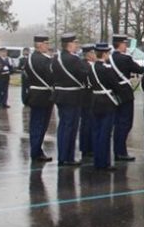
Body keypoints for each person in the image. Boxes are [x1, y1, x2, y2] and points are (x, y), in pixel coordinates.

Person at [51, 33, 89, 167]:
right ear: (69, 44)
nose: (77, 45)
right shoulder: (74, 59)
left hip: (60, 95)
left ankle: (63, 156)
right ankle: (68, 157)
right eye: (75, 43)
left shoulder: (56, 58)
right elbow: (84, 74)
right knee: (70, 128)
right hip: (72, 96)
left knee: (63, 127)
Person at [110, 34, 144, 162]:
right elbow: (139, 69)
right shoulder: (125, 59)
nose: (126, 46)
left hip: (114, 93)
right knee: (125, 123)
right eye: (125, 43)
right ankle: (121, 151)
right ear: (120, 44)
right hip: (125, 92)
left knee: (118, 123)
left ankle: (117, 150)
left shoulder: (110, 58)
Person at [88, 42, 121, 171]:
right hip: (107, 102)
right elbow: (115, 85)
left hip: (95, 100)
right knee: (105, 133)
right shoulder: (107, 69)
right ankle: (104, 162)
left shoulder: (91, 68)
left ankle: (97, 161)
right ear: (105, 54)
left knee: (96, 132)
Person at [24, 35, 54, 162]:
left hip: (34, 93)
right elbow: (51, 76)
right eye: (46, 43)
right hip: (44, 95)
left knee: (35, 124)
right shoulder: (45, 60)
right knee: (40, 125)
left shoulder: (30, 58)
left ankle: (36, 150)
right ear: (39, 44)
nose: (48, 46)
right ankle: (36, 152)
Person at [78, 43, 97, 160]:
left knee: (91, 123)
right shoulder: (85, 66)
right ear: (88, 55)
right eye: (93, 53)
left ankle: (90, 146)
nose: (95, 55)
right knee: (87, 124)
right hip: (87, 98)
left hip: (92, 98)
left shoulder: (91, 65)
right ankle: (86, 148)